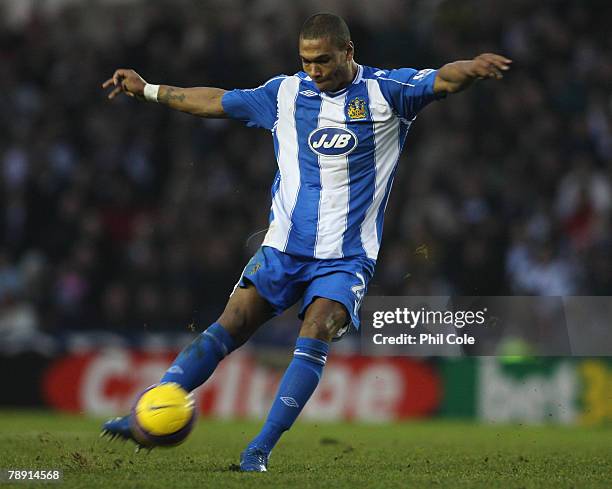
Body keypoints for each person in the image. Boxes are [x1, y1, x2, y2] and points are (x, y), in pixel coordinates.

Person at [100, 13, 511, 471]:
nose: (313, 70)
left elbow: (442, 80)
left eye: (323, 60)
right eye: (306, 61)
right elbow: (214, 101)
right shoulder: (285, 94)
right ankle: (150, 411)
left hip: (346, 258)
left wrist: (471, 69)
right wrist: (149, 89)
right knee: (229, 324)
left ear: (348, 52)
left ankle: (258, 450)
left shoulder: (386, 92)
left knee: (314, 331)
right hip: (282, 250)